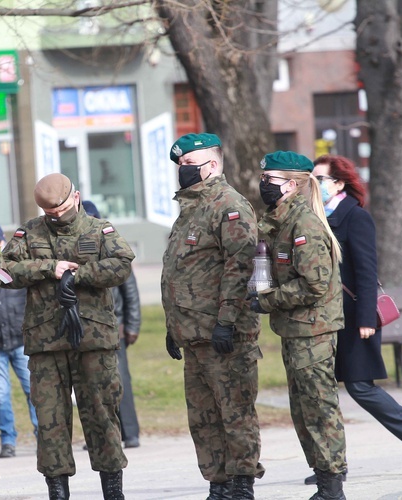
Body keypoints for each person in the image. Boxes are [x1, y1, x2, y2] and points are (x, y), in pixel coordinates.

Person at [2, 173, 135, 500]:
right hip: (46, 343)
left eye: (60, 209)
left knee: (102, 418)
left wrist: (78, 274)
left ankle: (113, 493)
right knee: (50, 425)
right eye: (49, 212)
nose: (56, 216)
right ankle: (58, 493)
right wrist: (49, 268)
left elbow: (121, 265)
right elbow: (5, 271)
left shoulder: (99, 229)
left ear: (75, 197)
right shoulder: (28, 232)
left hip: (94, 341)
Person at [306, 154, 402, 484]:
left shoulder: (355, 217)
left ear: (339, 184)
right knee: (324, 391)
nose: (314, 185)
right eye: (311, 179)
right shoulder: (315, 216)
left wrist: (365, 320)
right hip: (326, 321)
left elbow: (366, 271)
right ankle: (332, 467)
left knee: (360, 387)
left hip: (354, 319)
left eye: (320, 179)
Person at [161, 133, 264, 499]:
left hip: (225, 335)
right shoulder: (191, 210)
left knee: (235, 414)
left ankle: (242, 484)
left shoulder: (228, 205)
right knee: (203, 420)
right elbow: (183, 272)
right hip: (194, 335)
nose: (182, 172)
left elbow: (240, 268)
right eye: (180, 166)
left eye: (190, 165)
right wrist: (175, 328)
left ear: (213, 165)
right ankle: (217, 484)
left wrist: (226, 321)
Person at [248, 150, 347, 500]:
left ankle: (332, 488)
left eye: (270, 180)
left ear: (291, 185)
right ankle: (325, 479)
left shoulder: (303, 224)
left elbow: (313, 284)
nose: (264, 185)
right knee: (303, 410)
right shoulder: (280, 221)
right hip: (295, 330)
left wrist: (266, 300)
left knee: (319, 409)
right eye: (263, 179)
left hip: (313, 331)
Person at [82, 200, 141, 449]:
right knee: (89, 384)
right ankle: (100, 434)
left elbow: (131, 291)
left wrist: (132, 325)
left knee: (120, 381)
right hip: (86, 327)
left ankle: (130, 432)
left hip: (114, 326)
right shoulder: (78, 251)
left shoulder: (112, 248)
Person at [0, 220, 38, 459]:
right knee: (0, 394)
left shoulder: (15, 264)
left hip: (21, 340)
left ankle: (43, 436)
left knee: (33, 390)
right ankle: (7, 441)